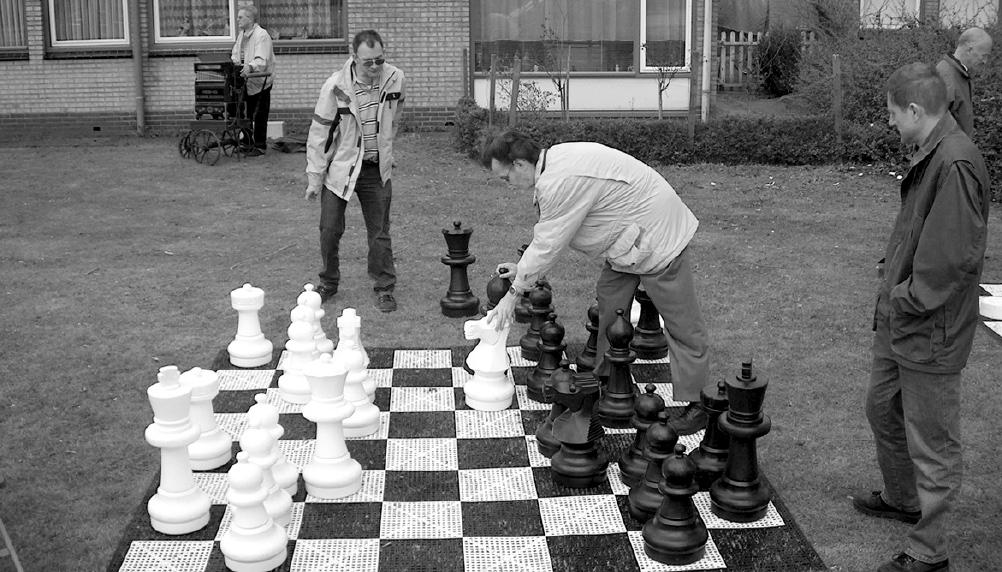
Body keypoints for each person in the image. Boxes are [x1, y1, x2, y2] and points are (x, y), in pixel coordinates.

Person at [851, 62, 990, 572]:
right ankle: (903, 497)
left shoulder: (954, 163)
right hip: (902, 319)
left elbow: (949, 260)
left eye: (892, 114)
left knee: (932, 440)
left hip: (929, 326)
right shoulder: (931, 152)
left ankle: (929, 552)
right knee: (882, 407)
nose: (889, 123)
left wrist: (904, 299)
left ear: (915, 110)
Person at [481, 130, 710, 435]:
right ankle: (608, 378)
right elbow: (553, 237)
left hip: (656, 233)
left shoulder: (559, 181)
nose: (507, 186)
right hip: (629, 238)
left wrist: (514, 292)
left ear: (520, 164)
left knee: (682, 323)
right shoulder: (555, 162)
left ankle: (698, 405)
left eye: (505, 178)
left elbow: (549, 243)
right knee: (610, 297)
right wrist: (523, 268)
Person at [304, 30, 405, 312]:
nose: (375, 68)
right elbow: (320, 132)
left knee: (380, 232)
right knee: (329, 229)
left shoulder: (396, 78)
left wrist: (387, 151)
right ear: (353, 58)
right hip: (342, 169)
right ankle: (328, 282)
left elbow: (394, 118)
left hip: (375, 170)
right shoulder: (335, 87)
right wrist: (315, 176)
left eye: (379, 61)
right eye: (368, 63)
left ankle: (384, 287)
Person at [230, 5, 275, 157]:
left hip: (261, 80)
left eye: (240, 17)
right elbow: (236, 54)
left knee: (259, 114)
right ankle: (247, 142)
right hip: (247, 81)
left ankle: (260, 146)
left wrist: (250, 67)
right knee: (246, 113)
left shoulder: (261, 35)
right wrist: (235, 65)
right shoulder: (242, 35)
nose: (237, 20)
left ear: (250, 19)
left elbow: (261, 60)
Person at [934, 27, 993, 137]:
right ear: (969, 50)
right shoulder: (945, 76)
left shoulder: (960, 74)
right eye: (984, 56)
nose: (985, 62)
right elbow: (931, 129)